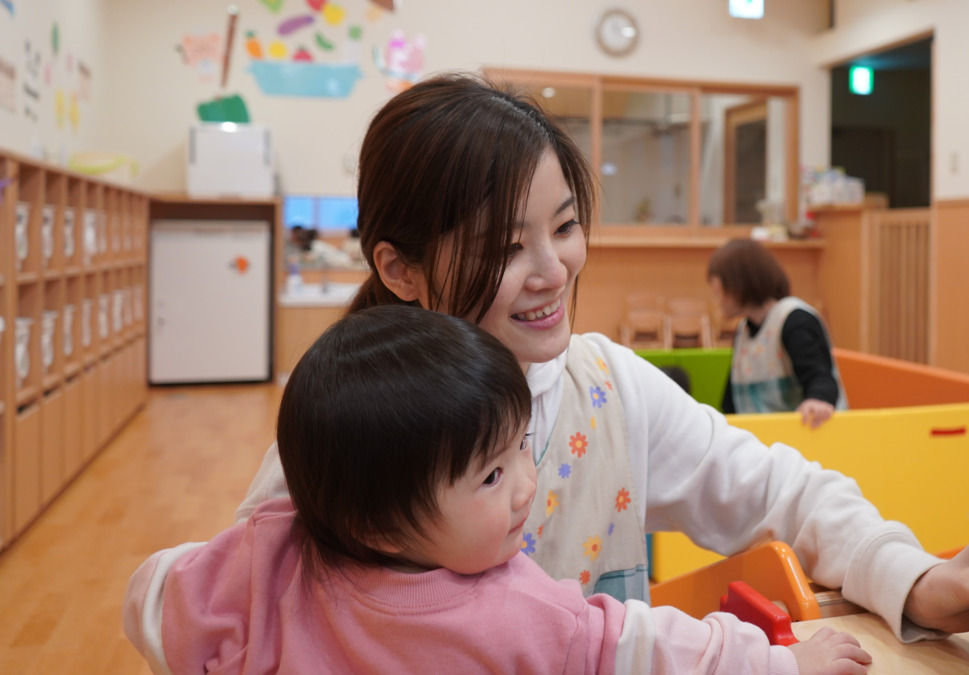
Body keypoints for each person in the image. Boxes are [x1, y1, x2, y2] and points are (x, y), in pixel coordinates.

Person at [126, 72, 969, 655]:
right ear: (400, 269)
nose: (553, 269)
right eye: (505, 247)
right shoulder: (354, 433)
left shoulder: (607, 386)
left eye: (563, 228)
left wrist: (913, 577)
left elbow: (781, 492)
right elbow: (225, 610)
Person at [124, 305, 872, 673]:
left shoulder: (270, 555)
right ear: (380, 525)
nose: (526, 483)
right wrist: (782, 663)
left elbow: (152, 597)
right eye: (491, 474)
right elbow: (647, 648)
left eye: (520, 447)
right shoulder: (512, 605)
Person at [707, 238, 847, 428]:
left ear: (738, 284)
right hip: (766, 440)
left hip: (807, 436)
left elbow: (820, 377)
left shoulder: (794, 320)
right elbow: (731, 401)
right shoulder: (744, 331)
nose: (717, 300)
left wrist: (817, 400)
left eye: (719, 292)